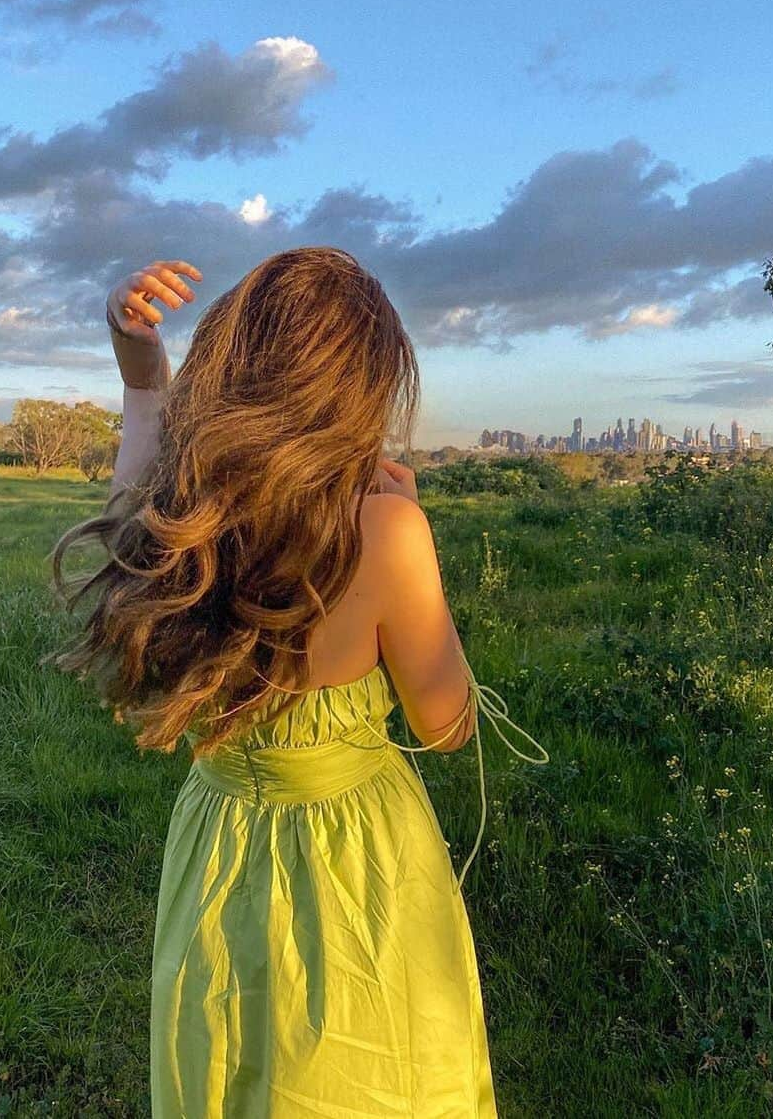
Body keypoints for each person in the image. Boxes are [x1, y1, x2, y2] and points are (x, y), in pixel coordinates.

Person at [47, 247, 550, 1117]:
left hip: (219, 846)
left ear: (229, 366)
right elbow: (446, 723)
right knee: (370, 1072)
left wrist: (135, 355)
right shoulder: (386, 533)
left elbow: (142, 429)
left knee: (231, 1058)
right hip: (359, 869)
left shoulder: (179, 516)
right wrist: (413, 522)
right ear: (358, 391)